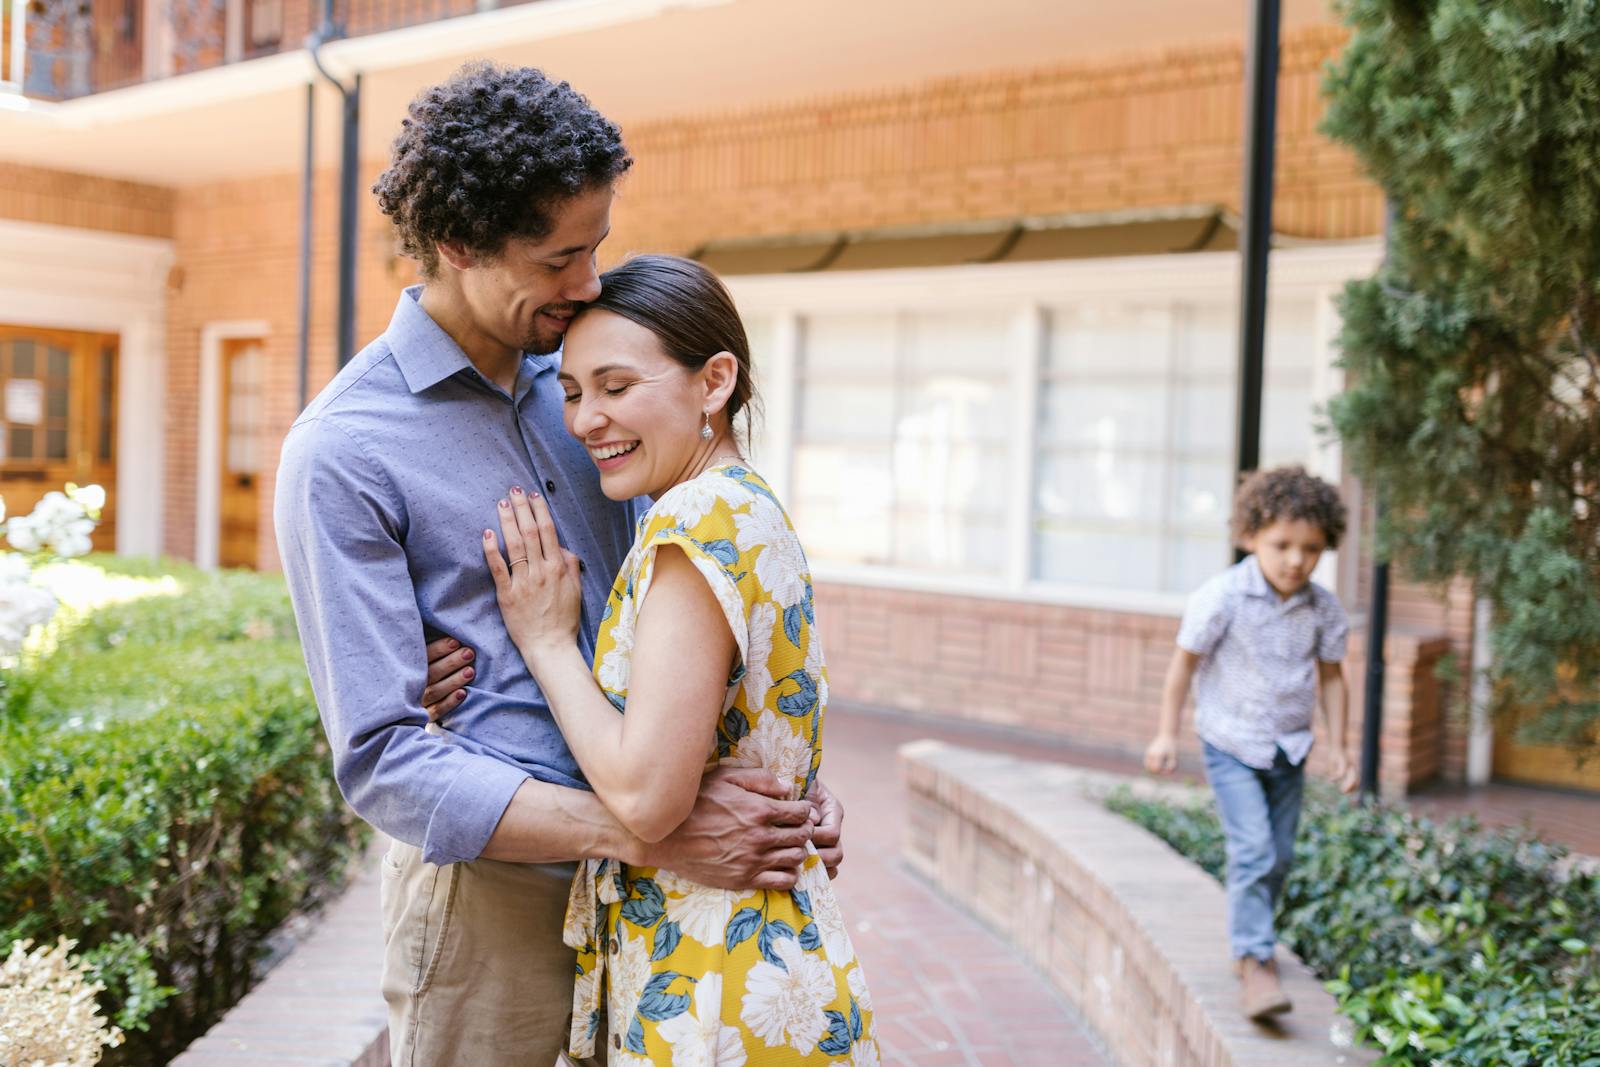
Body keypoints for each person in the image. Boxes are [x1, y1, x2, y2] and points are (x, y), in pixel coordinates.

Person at [273, 63, 845, 1067]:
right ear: (457, 245)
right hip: (497, 901)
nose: (587, 283)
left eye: (597, 248)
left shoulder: (590, 380)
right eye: (559, 257)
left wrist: (772, 781)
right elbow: (384, 759)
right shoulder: (344, 451)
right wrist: (650, 830)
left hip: (658, 893)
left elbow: (685, 611)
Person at [480, 254, 879, 1065]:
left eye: (616, 386)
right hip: (755, 955)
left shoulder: (694, 526)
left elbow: (646, 795)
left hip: (716, 983)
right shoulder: (745, 505)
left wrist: (547, 640)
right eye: (573, 391)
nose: (587, 418)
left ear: (714, 380)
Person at [1142, 465, 1355, 1022]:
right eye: (1281, 544)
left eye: (1310, 549)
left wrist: (1340, 747)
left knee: (1278, 855)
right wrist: (1166, 732)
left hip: (1289, 748)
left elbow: (1332, 676)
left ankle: (1252, 942)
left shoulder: (1322, 608)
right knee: (1255, 848)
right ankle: (1254, 959)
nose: (1295, 560)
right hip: (1230, 743)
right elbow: (1183, 664)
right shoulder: (1223, 597)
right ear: (1250, 535)